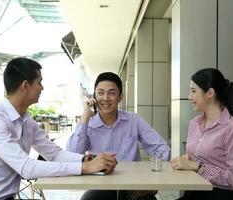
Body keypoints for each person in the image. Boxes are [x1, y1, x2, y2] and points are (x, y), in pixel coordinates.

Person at [0, 58, 117, 200]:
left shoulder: (27, 122)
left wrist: (84, 160)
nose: (42, 88)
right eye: (39, 82)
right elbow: (26, 168)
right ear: (25, 86)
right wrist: (85, 168)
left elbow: (54, 154)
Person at [66, 72, 170, 200]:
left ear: (120, 97)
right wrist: (85, 116)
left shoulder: (133, 119)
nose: (105, 98)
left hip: (133, 184)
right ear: (94, 96)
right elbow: (72, 155)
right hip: (100, 184)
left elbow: (162, 149)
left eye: (111, 93)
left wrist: (154, 182)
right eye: (100, 93)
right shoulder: (88, 124)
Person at [170, 68, 233, 200]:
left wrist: (197, 166)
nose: (189, 97)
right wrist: (185, 160)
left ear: (210, 93)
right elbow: (196, 158)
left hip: (222, 195)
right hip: (195, 192)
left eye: (193, 91)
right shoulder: (194, 123)